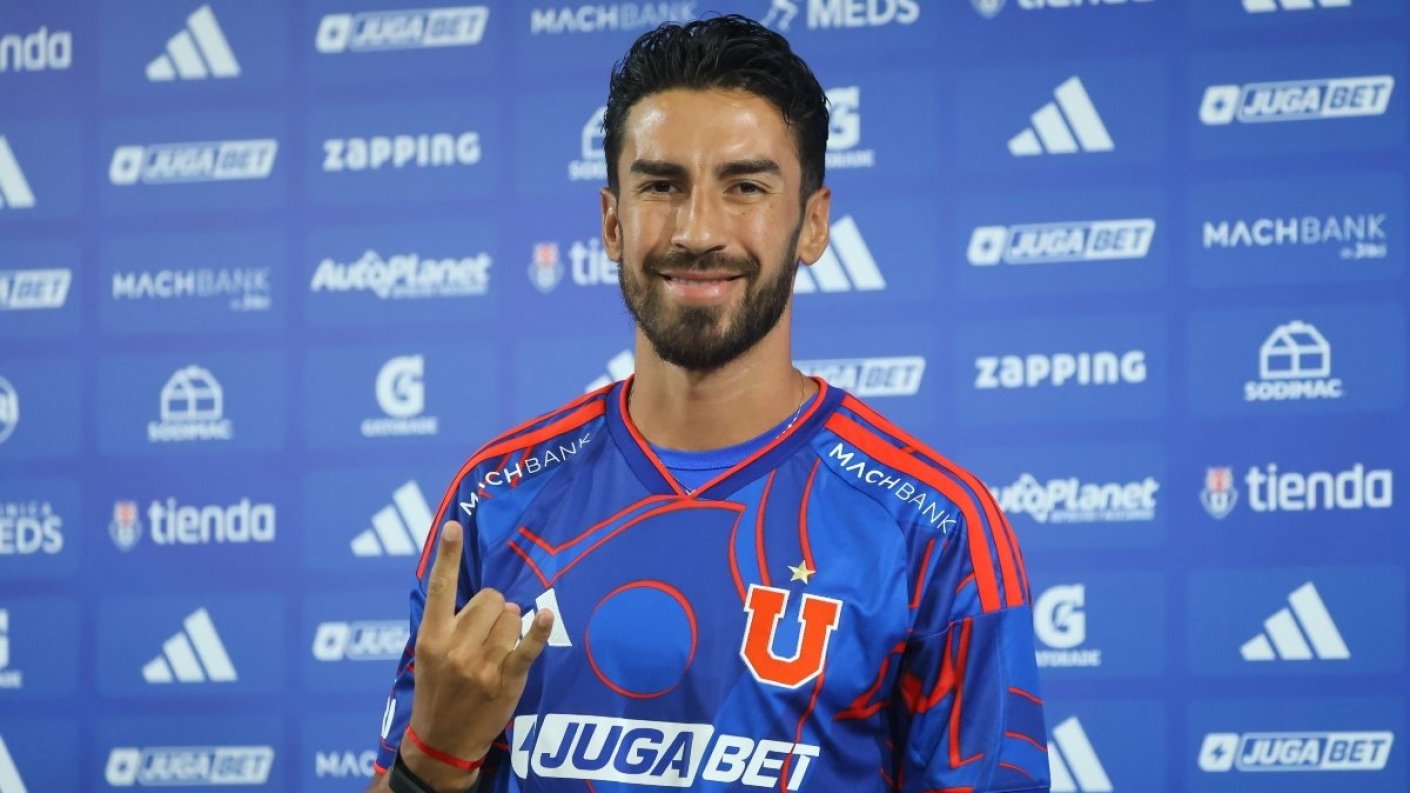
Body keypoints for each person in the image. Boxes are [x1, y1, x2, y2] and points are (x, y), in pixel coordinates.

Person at [368, 15, 1048, 793]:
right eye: (662, 185)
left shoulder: (932, 527)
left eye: (745, 187)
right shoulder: (496, 500)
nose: (697, 231)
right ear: (612, 222)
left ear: (813, 223)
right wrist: (433, 759)